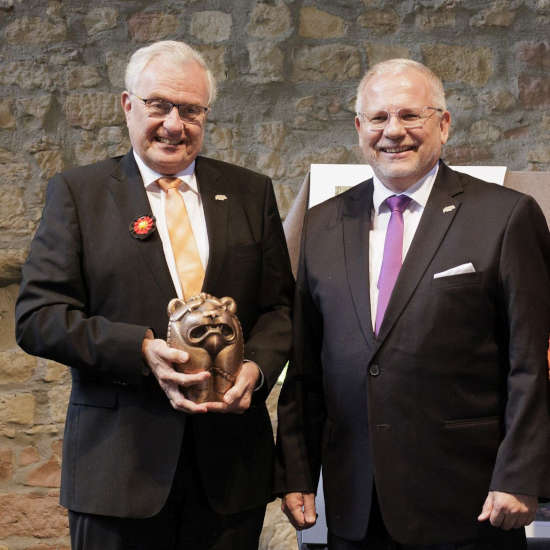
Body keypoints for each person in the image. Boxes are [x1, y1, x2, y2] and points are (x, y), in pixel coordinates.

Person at [15, 40, 294, 550]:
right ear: (127, 105)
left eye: (190, 110)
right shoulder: (78, 194)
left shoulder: (252, 192)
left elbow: (280, 309)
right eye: (159, 105)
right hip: (118, 472)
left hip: (230, 474)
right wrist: (140, 349)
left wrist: (257, 366)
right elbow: (39, 316)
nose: (173, 124)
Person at [274, 58, 550, 550]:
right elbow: (305, 368)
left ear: (443, 125)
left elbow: (530, 362)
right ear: (359, 128)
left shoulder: (506, 217)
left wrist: (522, 473)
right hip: (356, 507)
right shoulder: (322, 224)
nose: (392, 132)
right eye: (378, 118)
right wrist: (296, 471)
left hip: (470, 505)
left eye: (410, 116)